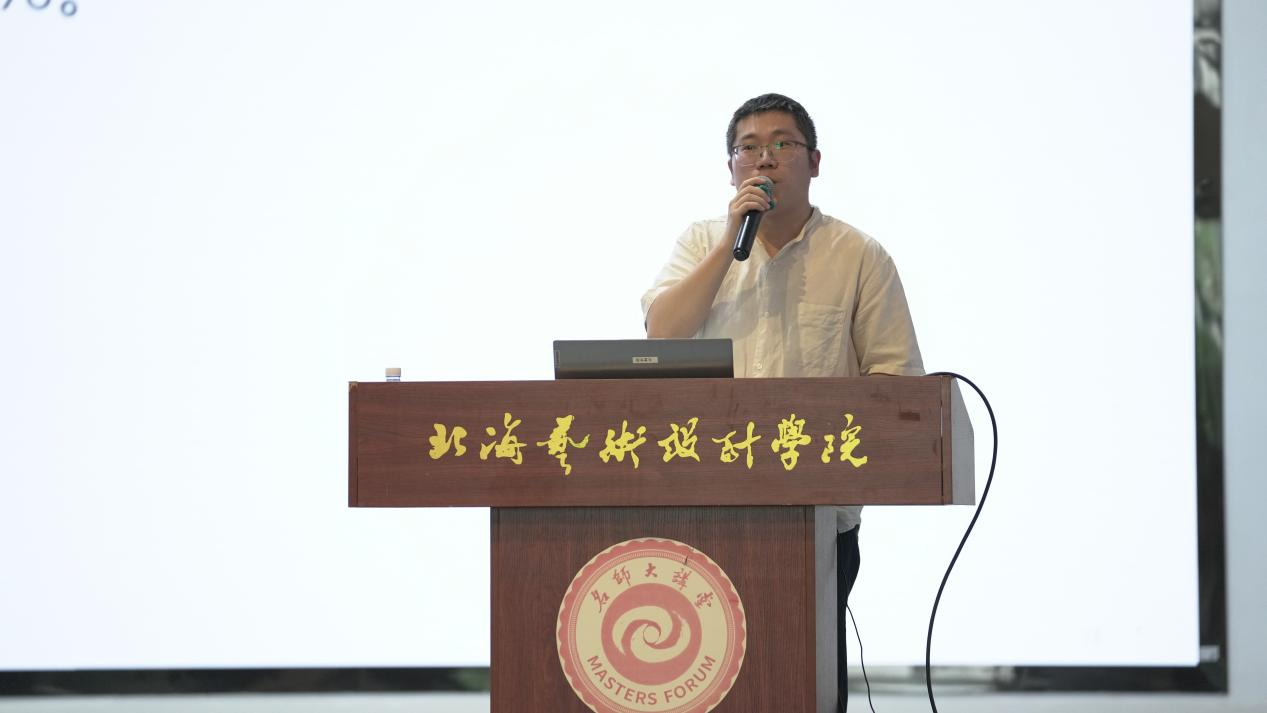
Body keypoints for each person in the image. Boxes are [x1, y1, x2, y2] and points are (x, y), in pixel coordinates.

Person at [640, 93, 924, 712]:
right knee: (702, 672)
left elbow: (895, 381)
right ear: (731, 169)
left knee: (802, 674)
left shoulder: (858, 255)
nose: (764, 159)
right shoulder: (702, 242)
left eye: (781, 145)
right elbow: (662, 334)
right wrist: (728, 244)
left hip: (816, 513)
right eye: (748, 148)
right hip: (706, 502)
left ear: (815, 162)